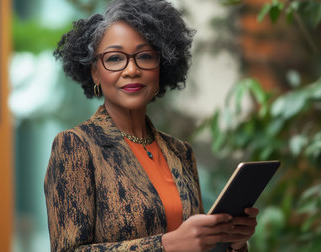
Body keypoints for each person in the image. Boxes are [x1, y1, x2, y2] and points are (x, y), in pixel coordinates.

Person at [44, 0, 259, 251]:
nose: (132, 70)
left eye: (145, 56)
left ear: (162, 66)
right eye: (114, 58)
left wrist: (233, 241)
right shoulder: (75, 146)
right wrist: (167, 244)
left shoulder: (181, 152)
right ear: (95, 73)